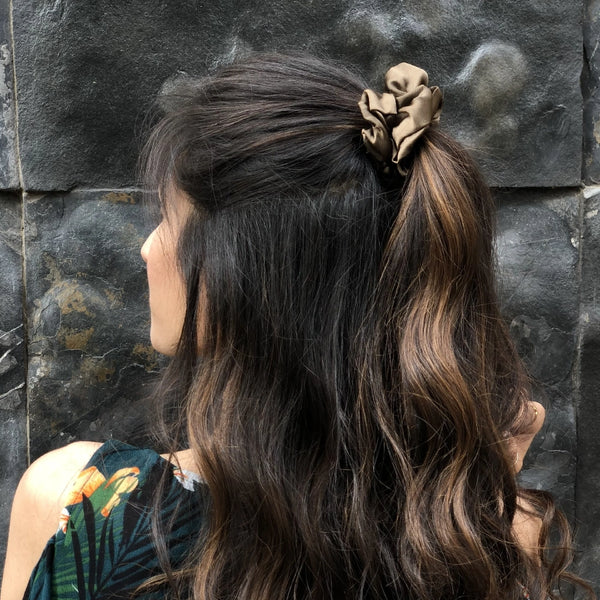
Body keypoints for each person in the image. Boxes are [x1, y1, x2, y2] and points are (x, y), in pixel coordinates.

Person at [0, 53, 592, 600]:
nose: (148, 248)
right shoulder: (486, 535)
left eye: (170, 219)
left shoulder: (78, 507)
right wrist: (477, 505)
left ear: (244, 278)